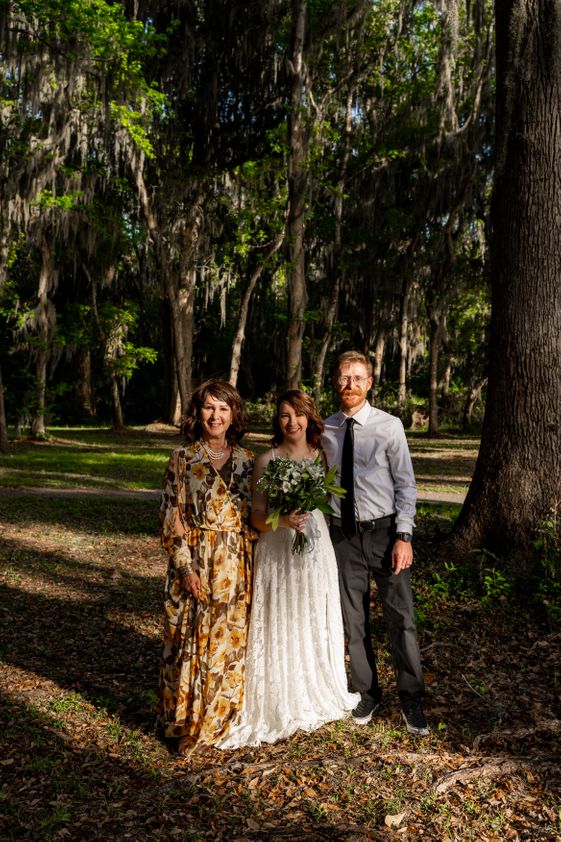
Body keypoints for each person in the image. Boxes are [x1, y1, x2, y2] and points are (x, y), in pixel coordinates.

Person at [219, 390, 359, 748]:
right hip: (278, 547)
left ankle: (315, 688)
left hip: (315, 546)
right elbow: (256, 516)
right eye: (284, 415)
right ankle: (280, 693)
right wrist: (282, 521)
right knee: (281, 614)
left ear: (309, 418)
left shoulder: (323, 455)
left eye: (298, 414)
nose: (292, 421)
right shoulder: (266, 460)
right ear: (277, 420)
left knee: (310, 611)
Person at [322, 351, 429, 736]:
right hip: (343, 536)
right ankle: (367, 692)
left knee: (400, 618)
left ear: (369, 383)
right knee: (353, 619)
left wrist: (404, 536)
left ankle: (411, 697)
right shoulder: (325, 429)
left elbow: (406, 484)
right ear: (335, 382)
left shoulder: (389, 426)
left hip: (385, 535)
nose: (350, 384)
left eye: (357, 378)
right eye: (343, 377)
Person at [157, 379, 255, 754]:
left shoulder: (248, 461)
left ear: (234, 415)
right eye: (209, 407)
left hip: (235, 564)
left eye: (223, 408)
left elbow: (256, 518)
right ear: (198, 413)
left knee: (228, 644)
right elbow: (172, 517)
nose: (216, 415)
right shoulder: (182, 459)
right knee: (189, 643)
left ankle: (222, 719)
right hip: (195, 559)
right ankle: (187, 725)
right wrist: (185, 568)